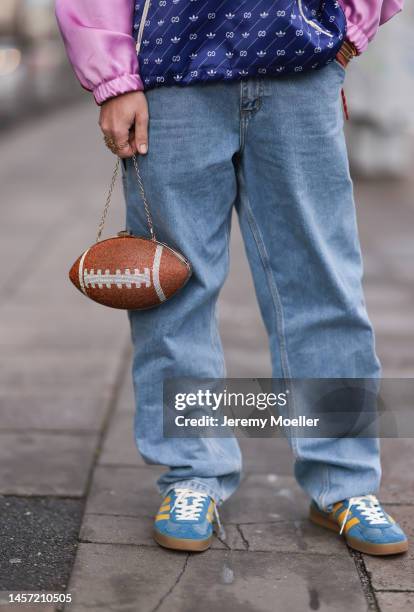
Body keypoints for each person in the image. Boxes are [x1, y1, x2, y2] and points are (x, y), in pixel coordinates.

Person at [55, 0, 408, 556]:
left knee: (324, 285)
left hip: (301, 66)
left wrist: (348, 29)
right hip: (171, 74)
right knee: (172, 293)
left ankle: (345, 479)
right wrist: (114, 77)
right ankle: (194, 470)